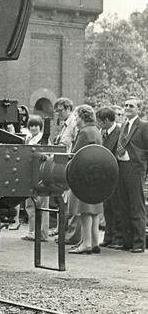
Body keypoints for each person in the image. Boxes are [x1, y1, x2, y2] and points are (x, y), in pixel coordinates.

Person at [68, 105, 104, 254]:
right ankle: (95, 242)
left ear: (83, 117)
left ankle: (86, 244)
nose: (75, 119)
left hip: (84, 175)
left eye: (76, 116)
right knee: (94, 210)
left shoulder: (84, 132)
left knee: (84, 210)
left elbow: (75, 154)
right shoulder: (95, 130)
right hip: (97, 175)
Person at [115, 97, 148, 253]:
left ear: (139, 110)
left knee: (137, 206)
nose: (127, 108)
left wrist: (143, 168)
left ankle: (138, 243)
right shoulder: (123, 126)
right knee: (124, 206)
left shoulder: (143, 126)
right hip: (121, 167)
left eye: (131, 106)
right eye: (126, 105)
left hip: (135, 169)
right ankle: (127, 242)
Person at [52, 98, 80, 244]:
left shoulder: (74, 124)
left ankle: (71, 233)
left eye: (60, 111)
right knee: (64, 199)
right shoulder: (64, 125)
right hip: (63, 166)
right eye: (56, 112)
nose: (58, 114)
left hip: (70, 165)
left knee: (69, 201)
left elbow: (75, 144)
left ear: (69, 109)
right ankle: (63, 230)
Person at [96, 106, 123, 248]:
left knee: (116, 207)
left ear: (106, 120)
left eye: (100, 121)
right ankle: (109, 236)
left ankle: (118, 238)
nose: (98, 124)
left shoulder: (119, 132)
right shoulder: (103, 133)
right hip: (107, 175)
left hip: (116, 174)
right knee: (107, 207)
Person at [21, 115, 49, 242]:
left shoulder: (44, 140)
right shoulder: (28, 139)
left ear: (40, 127)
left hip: (41, 175)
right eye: (31, 125)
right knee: (30, 205)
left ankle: (42, 233)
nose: (33, 128)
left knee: (42, 205)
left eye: (36, 125)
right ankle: (32, 231)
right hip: (30, 175)